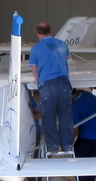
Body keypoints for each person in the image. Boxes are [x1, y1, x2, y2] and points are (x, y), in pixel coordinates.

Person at [29, 22, 74, 153]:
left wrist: (39, 82)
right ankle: (67, 145)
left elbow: (35, 70)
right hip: (64, 82)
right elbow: (68, 58)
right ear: (50, 31)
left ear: (38, 33)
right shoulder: (62, 44)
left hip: (48, 84)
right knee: (65, 116)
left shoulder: (35, 49)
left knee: (48, 117)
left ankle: (54, 146)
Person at [72, 88, 96, 181]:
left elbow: (75, 129)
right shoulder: (88, 95)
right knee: (91, 162)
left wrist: (67, 141)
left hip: (85, 137)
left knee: (79, 162)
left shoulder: (74, 107)